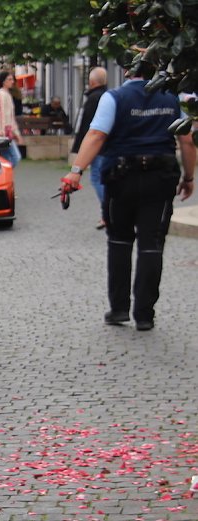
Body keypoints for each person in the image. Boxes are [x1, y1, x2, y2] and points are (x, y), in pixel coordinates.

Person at [62, 60, 196, 331]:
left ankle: (119, 308)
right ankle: (145, 315)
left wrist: (76, 171)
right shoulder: (172, 99)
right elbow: (186, 140)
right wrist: (189, 177)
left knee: (119, 242)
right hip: (160, 178)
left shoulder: (114, 98)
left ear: (127, 71)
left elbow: (97, 134)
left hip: (121, 178)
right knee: (151, 244)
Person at [71, 67, 109, 229]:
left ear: (92, 82)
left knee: (97, 178)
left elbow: (87, 127)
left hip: (98, 146)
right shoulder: (108, 96)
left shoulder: (93, 99)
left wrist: (80, 150)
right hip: (108, 145)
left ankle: (108, 214)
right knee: (103, 179)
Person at [0, 71, 24, 167]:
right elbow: (0, 114)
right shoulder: (1, 95)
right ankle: (3, 173)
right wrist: (1, 131)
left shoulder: (7, 94)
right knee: (15, 157)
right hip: (3, 131)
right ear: (3, 81)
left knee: (7, 158)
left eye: (12, 79)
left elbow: (11, 118)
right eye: (9, 79)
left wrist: (17, 134)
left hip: (7, 130)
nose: (12, 82)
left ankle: (3, 173)